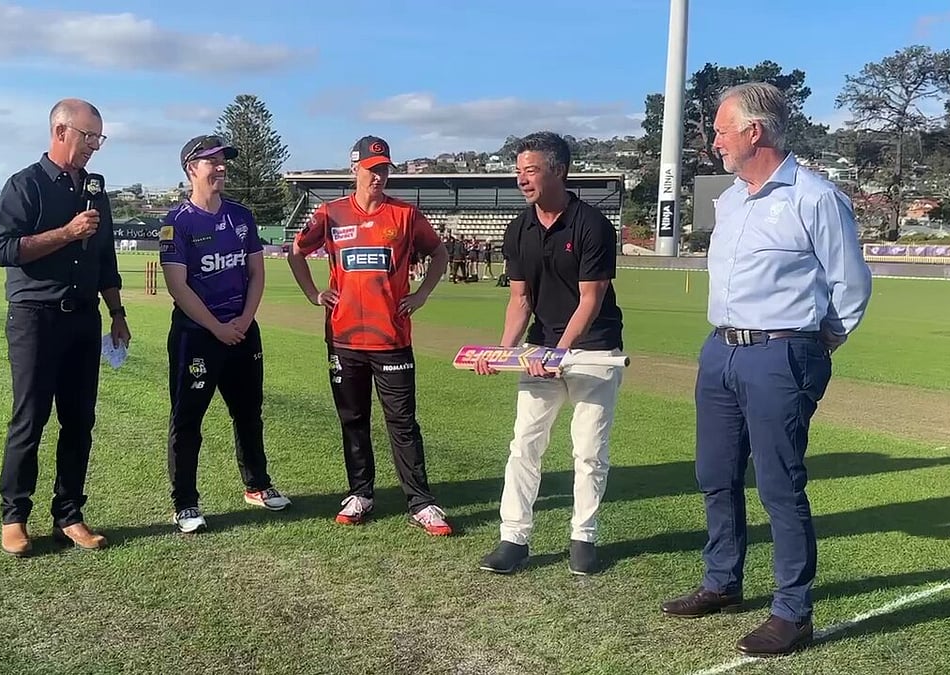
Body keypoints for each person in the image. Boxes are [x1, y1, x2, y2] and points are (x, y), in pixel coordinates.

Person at [660, 83, 873, 657]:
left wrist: (814, 343)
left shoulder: (815, 198)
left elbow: (850, 286)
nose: (714, 142)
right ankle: (722, 581)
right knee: (715, 473)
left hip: (781, 354)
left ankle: (791, 611)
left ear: (754, 132)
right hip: (720, 351)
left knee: (779, 484)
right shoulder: (729, 200)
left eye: (721, 130)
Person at [473, 131, 626, 576]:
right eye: (518, 171)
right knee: (524, 445)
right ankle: (514, 538)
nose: (522, 179)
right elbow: (520, 300)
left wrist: (558, 353)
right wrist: (502, 353)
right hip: (542, 350)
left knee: (589, 451)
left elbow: (591, 299)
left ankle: (583, 537)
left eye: (531, 169)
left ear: (559, 170)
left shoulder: (592, 224)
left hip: (594, 352)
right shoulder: (518, 229)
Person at [287, 135, 453, 536]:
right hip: (343, 338)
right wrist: (313, 293)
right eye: (371, 168)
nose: (378, 176)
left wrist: (423, 293)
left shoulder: (406, 216)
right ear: (354, 169)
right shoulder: (330, 213)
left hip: (392, 337)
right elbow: (296, 251)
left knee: (402, 422)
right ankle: (360, 493)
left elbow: (439, 254)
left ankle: (422, 502)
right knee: (353, 420)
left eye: (383, 169)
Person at [0, 98, 131, 556]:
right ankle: (15, 517)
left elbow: (105, 256)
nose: (93, 147)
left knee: (79, 421)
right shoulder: (25, 185)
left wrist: (117, 313)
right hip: (35, 317)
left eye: (98, 139)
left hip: (84, 319)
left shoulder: (94, 191)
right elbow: (5, 250)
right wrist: (67, 234)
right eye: (88, 137)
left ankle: (69, 515)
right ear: (60, 130)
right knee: (30, 419)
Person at [158, 134, 291, 534]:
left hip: (242, 330)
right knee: (187, 420)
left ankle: (257, 485)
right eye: (210, 161)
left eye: (222, 161)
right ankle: (185, 503)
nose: (220, 167)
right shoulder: (176, 223)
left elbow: (256, 271)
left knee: (249, 412)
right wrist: (216, 327)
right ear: (190, 169)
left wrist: (245, 321)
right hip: (196, 335)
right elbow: (178, 286)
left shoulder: (241, 216)